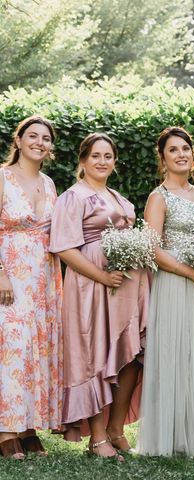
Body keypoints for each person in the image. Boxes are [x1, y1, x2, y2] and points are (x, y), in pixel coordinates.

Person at [49, 133, 149, 460]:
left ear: (115, 162)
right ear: (83, 160)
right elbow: (63, 247)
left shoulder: (116, 196)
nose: (102, 161)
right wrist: (103, 276)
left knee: (129, 354)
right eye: (95, 155)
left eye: (108, 156)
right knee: (94, 355)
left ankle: (116, 429)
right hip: (91, 287)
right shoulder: (73, 197)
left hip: (127, 287)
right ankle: (96, 438)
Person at [137, 127, 194, 458]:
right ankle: (172, 437)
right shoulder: (158, 197)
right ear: (162, 158)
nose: (181, 154)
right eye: (173, 150)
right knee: (177, 355)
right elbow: (153, 249)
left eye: (186, 148)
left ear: (193, 154)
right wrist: (190, 272)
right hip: (176, 284)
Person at [0, 116, 63, 460]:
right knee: (11, 348)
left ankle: (27, 428)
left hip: (43, 277)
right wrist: (1, 273)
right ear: (19, 140)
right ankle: (5, 430)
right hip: (10, 273)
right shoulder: (2, 177)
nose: (40, 142)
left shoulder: (49, 183)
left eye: (46, 138)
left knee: (35, 349)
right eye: (33, 136)